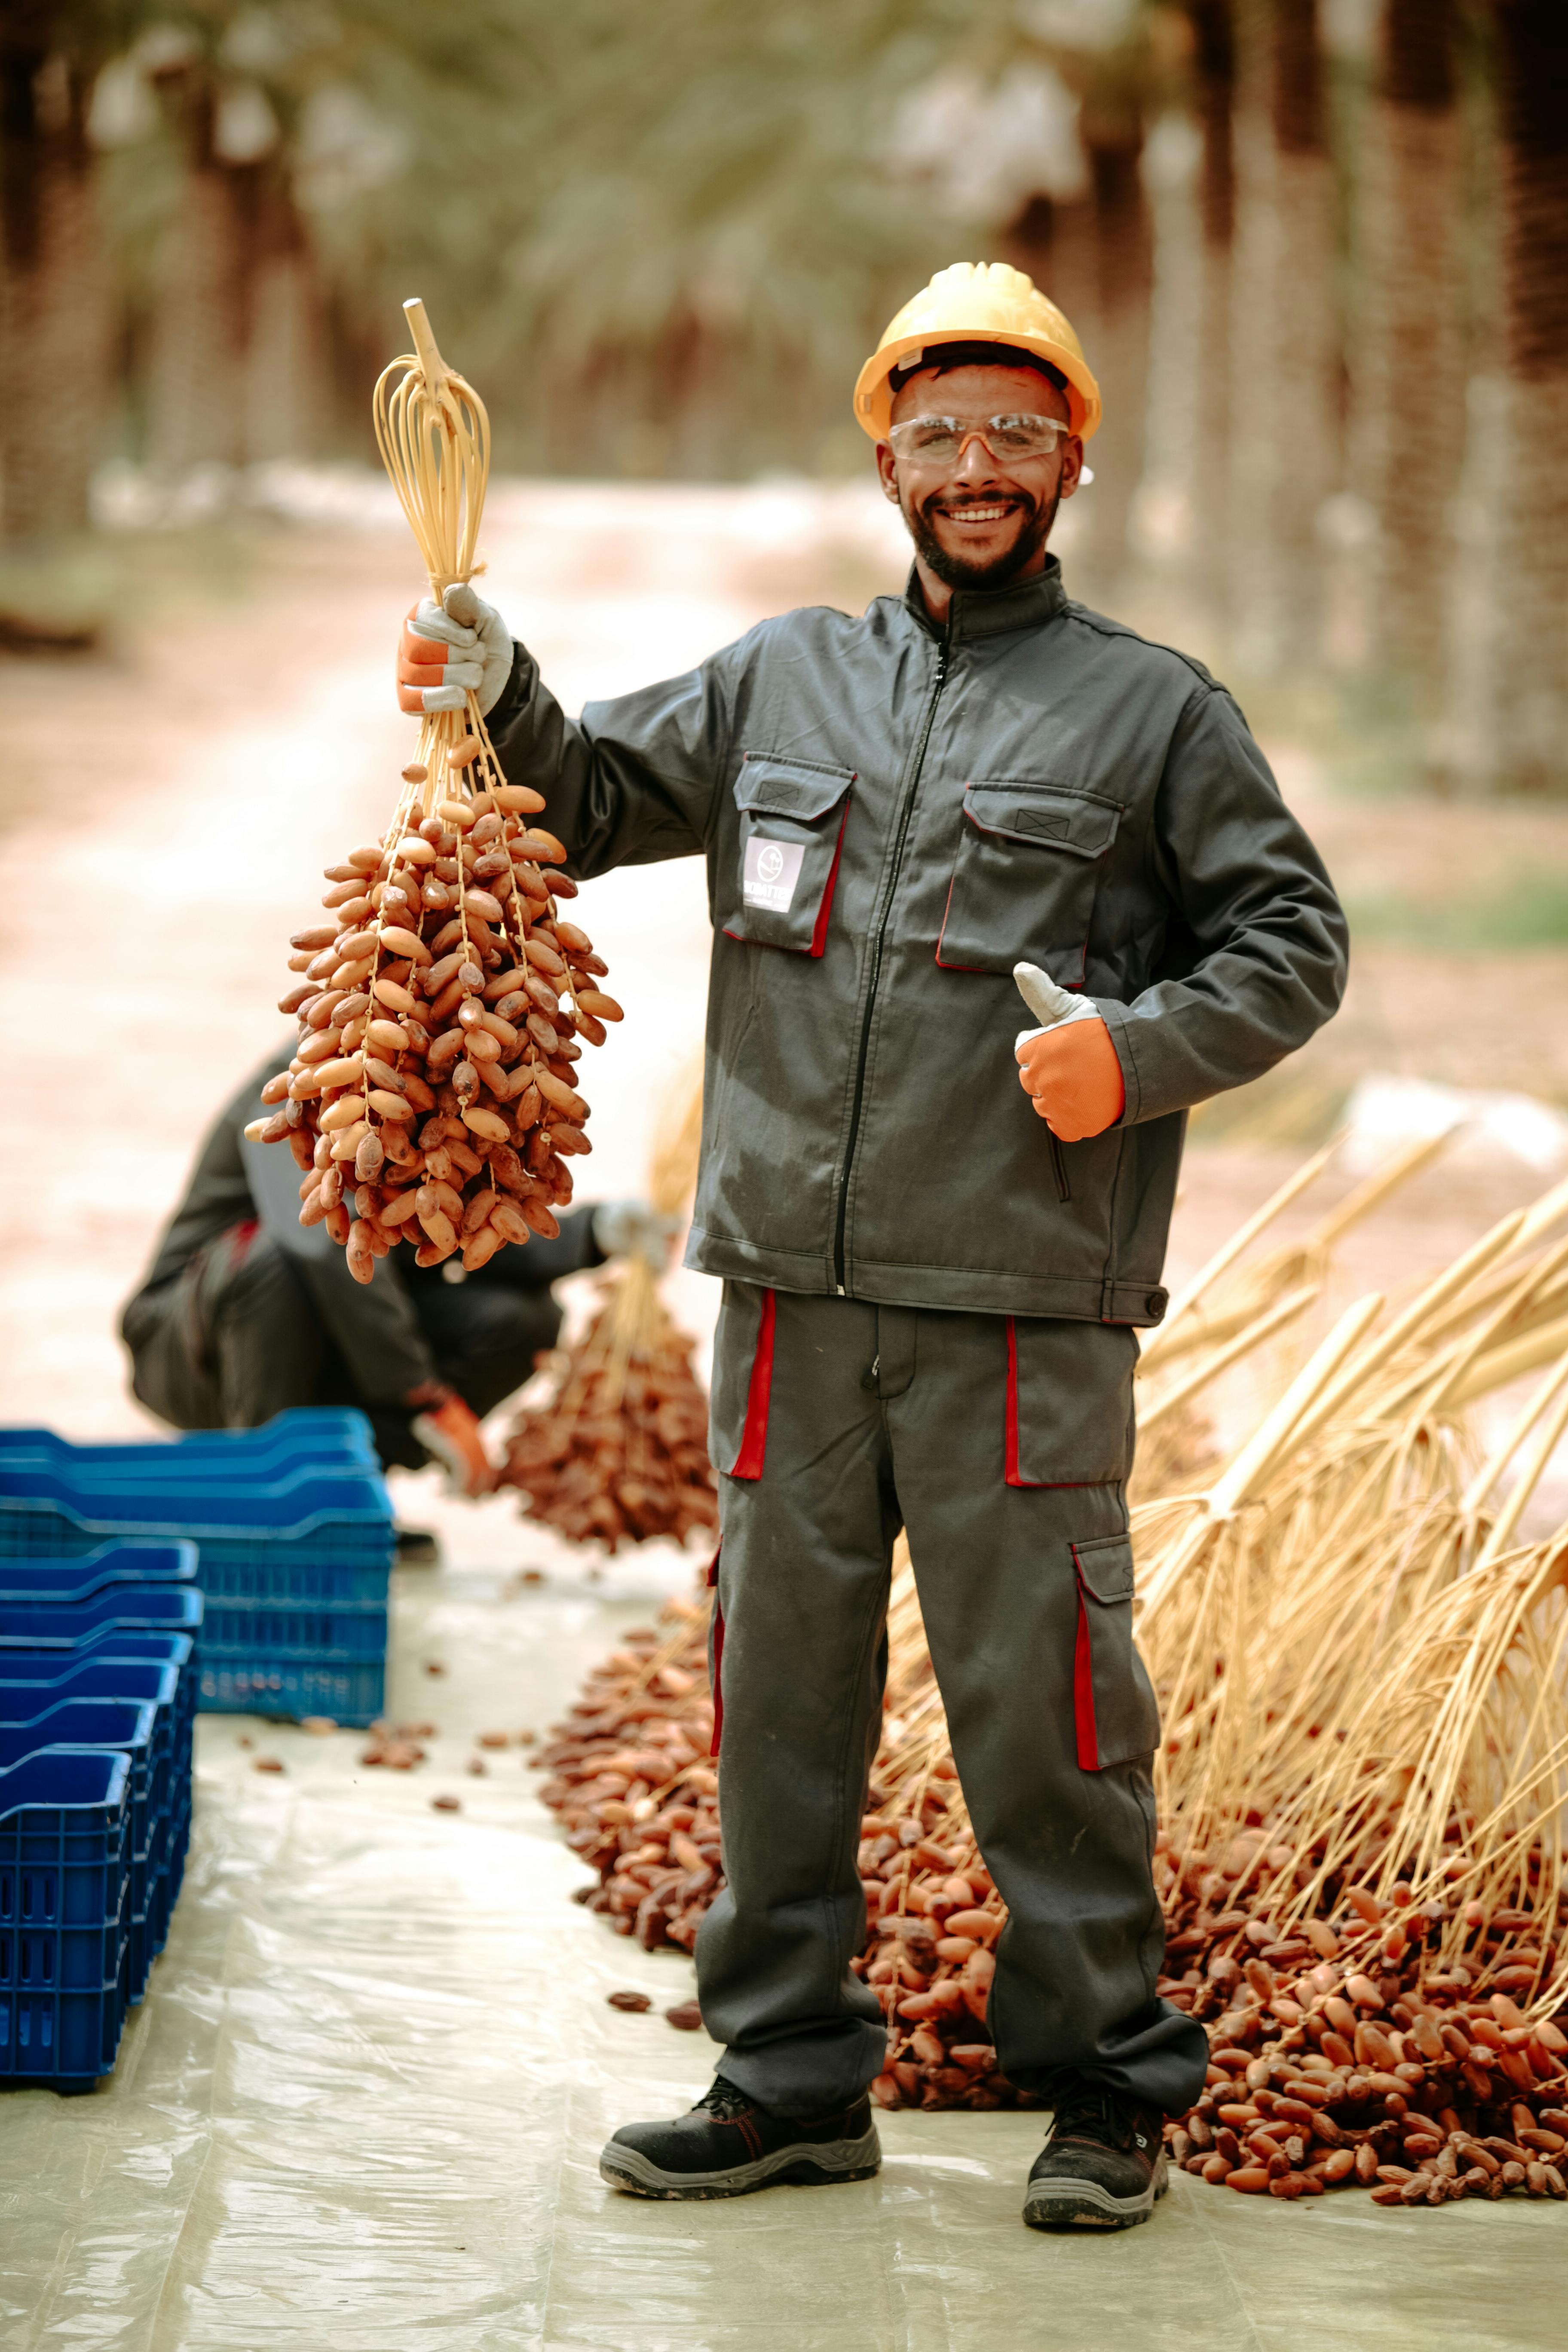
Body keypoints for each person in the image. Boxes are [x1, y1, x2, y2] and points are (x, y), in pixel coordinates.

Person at [394, 263, 1348, 2231]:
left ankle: (1097, 2081)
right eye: (936, 433)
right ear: (886, 457)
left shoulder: (1154, 714)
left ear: (1070, 456)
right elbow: (573, 802)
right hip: (787, 1303)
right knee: (778, 1693)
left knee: (1047, 1707)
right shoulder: (776, 683)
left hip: (1018, 1300)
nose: (973, 467)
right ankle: (783, 2072)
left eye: (1013, 431)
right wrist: (494, 680)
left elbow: (1289, 946)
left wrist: (1134, 1051)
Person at [121, 1043, 671, 1504]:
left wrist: (597, 1234)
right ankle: (270, 1505)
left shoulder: (439, 1093)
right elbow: (317, 1246)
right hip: (194, 1346)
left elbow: (462, 1234)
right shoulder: (314, 1076)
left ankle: (343, 1499)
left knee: (522, 1320)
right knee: (281, 1257)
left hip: (328, 1335)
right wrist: (425, 1395)